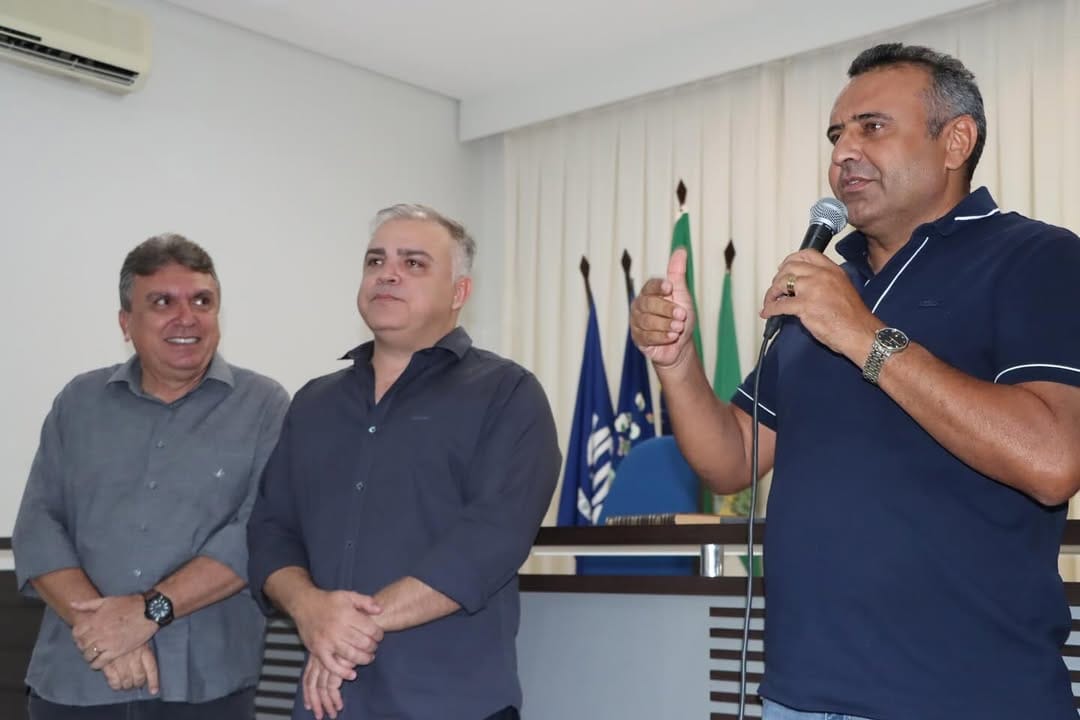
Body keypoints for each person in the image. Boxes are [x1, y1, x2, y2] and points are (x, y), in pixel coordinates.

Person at [631, 43, 1080, 720]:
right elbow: (731, 457)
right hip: (801, 695)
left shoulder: (1037, 257)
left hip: (968, 695)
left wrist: (863, 335)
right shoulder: (826, 285)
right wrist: (677, 363)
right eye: (836, 135)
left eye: (873, 127)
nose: (844, 152)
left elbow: (1051, 461)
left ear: (956, 140)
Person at [247, 203, 560, 720]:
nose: (387, 274)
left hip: (452, 703)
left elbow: (492, 538)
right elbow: (270, 531)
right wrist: (310, 609)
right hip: (328, 705)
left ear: (459, 292)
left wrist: (351, 628)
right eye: (376, 261)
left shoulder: (508, 394)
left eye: (413, 263)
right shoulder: (313, 403)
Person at [13, 234, 290, 719]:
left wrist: (147, 613)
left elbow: (256, 534)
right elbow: (38, 527)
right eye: (162, 302)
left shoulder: (264, 405)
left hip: (207, 687)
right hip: (78, 679)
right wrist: (105, 634)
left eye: (202, 301)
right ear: (126, 322)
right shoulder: (78, 402)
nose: (187, 317)